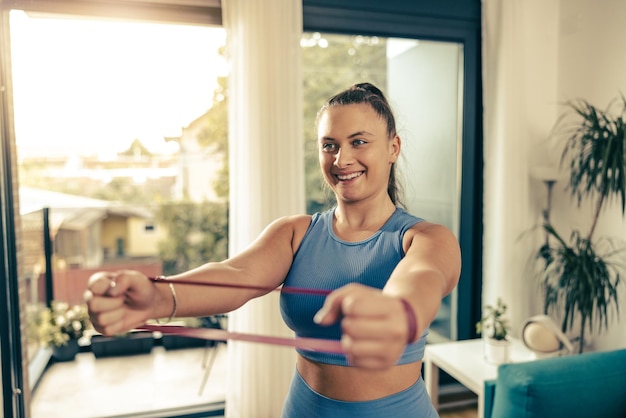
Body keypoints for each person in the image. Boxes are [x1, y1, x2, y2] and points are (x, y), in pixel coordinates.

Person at [85, 82, 461, 417]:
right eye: (329, 145)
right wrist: (154, 297)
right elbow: (236, 275)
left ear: (393, 148)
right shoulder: (296, 233)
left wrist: (401, 313)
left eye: (359, 142)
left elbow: (423, 278)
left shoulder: (426, 238)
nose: (341, 159)